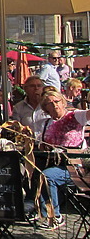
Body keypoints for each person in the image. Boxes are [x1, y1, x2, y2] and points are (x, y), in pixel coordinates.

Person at [34, 89, 90, 229]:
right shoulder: (46, 123)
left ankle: (54, 217)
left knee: (47, 176)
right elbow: (41, 145)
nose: (54, 105)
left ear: (63, 102)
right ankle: (30, 207)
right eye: (49, 103)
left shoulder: (75, 116)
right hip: (54, 163)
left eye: (57, 101)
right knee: (29, 170)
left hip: (75, 167)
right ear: (45, 108)